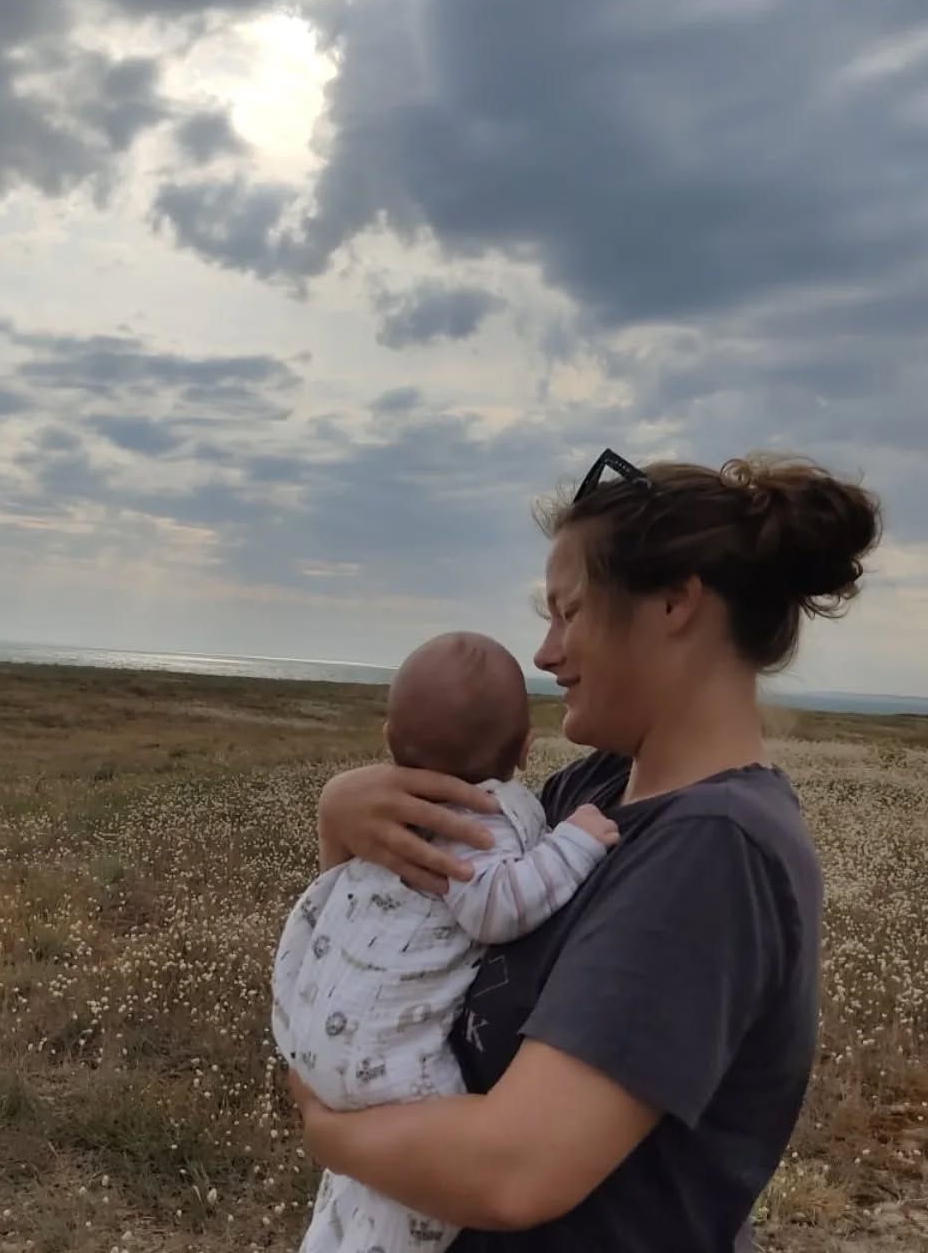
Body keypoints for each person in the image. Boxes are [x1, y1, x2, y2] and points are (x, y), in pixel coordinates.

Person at [287, 450, 881, 1253]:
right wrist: (343, 825)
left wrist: (326, 1128)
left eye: (569, 613)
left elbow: (515, 1168)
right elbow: (394, 950)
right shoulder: (595, 792)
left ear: (675, 603)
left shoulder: (715, 851)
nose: (545, 652)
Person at [272, 631, 619, 1253]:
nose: (550, 647)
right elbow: (497, 905)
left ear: (387, 739)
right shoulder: (479, 819)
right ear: (524, 749)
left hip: (323, 1024)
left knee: (354, 1201)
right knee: (405, 1219)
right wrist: (577, 843)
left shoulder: (393, 809)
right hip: (393, 1058)